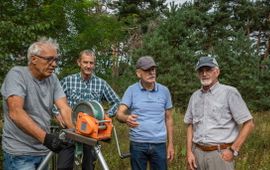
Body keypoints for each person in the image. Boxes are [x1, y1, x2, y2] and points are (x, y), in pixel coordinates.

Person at [1, 37, 74, 170]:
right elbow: (16, 112)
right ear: (34, 59)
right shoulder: (17, 75)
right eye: (49, 59)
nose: (54, 64)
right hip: (20, 153)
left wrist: (75, 134)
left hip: (43, 151)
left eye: (56, 60)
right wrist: (47, 139)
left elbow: (64, 108)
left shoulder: (53, 79)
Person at [184, 56, 255, 170]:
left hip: (220, 155)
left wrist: (233, 150)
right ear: (198, 74)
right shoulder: (195, 96)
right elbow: (190, 125)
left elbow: (249, 123)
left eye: (208, 70)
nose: (204, 74)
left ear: (217, 72)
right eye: (201, 71)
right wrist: (189, 152)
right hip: (196, 154)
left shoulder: (229, 93)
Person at [57, 49, 120, 170]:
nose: (88, 66)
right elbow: (55, 97)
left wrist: (106, 114)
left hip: (91, 136)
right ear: (79, 62)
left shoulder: (101, 83)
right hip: (70, 132)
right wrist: (57, 113)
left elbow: (117, 102)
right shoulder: (68, 81)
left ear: (94, 65)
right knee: (63, 167)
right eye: (85, 62)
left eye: (91, 63)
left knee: (88, 168)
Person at [116, 56, 174, 170]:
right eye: (147, 70)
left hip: (159, 144)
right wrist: (126, 118)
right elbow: (119, 114)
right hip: (138, 144)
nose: (151, 72)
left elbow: (169, 118)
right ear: (138, 73)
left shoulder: (164, 91)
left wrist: (171, 144)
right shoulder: (131, 90)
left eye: (153, 69)